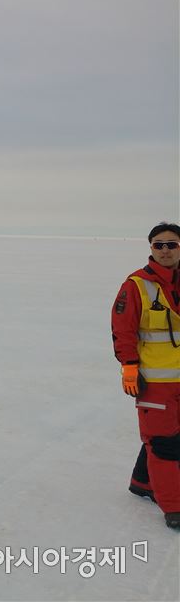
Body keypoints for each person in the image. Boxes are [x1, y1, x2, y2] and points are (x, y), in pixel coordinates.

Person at [112, 222, 180, 529]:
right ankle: (173, 506)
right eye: (158, 245)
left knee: (171, 436)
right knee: (164, 443)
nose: (165, 250)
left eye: (171, 244)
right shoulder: (137, 284)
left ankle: (142, 482)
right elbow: (123, 329)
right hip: (155, 382)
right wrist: (129, 367)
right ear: (151, 248)